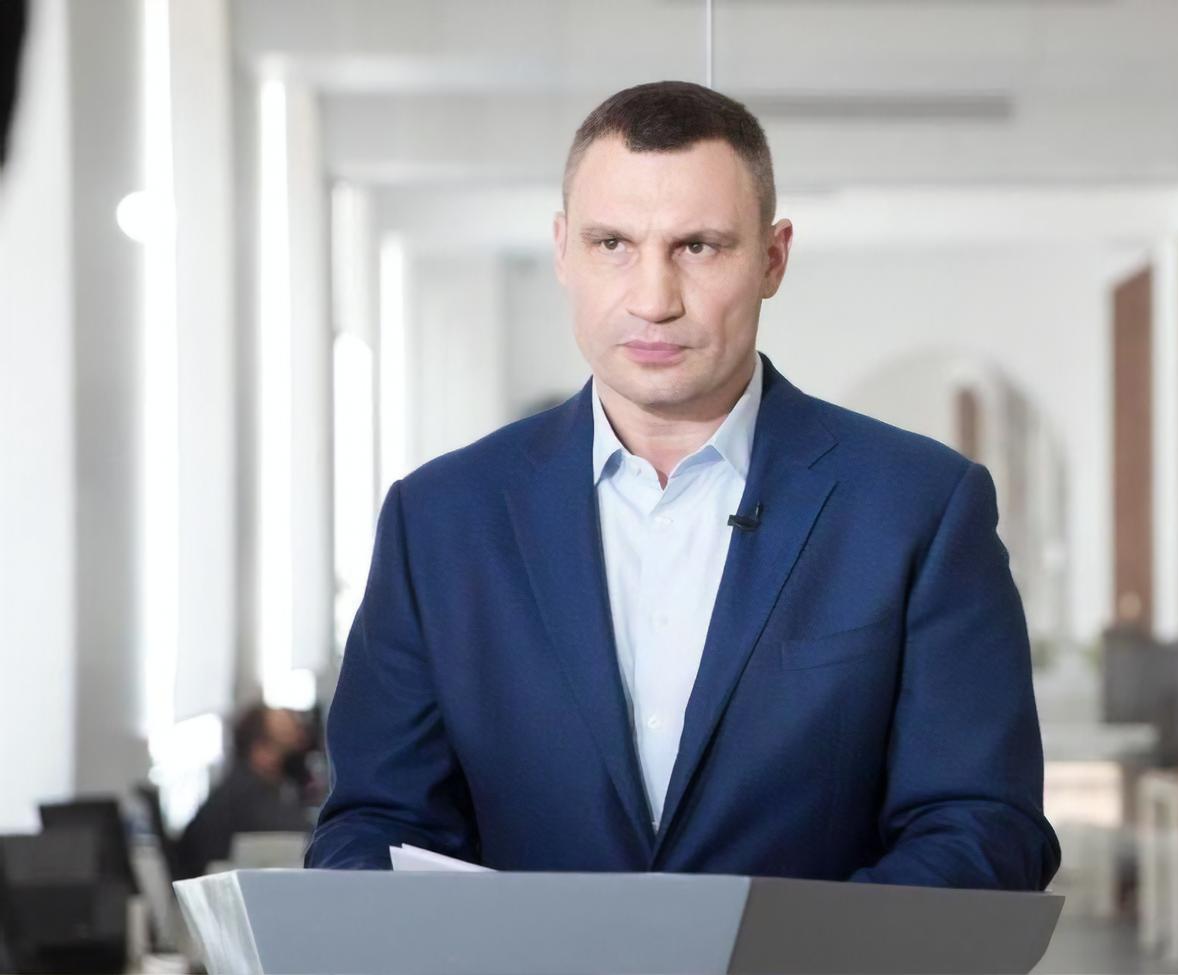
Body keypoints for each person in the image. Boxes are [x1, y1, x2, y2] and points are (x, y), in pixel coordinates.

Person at [305, 80, 1061, 889]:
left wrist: (787, 948)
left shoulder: (918, 509)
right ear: (562, 250)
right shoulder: (438, 521)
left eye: (698, 247)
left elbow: (983, 826)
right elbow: (375, 824)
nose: (653, 299)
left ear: (772, 258)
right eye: (612, 244)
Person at [176, 705, 313, 879]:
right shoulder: (248, 797)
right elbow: (302, 839)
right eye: (285, 747)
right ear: (261, 750)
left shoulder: (239, 788)